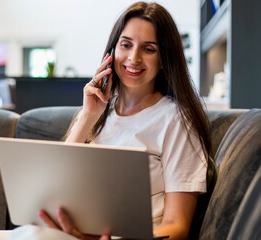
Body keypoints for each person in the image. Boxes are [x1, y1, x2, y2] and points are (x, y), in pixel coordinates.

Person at [37, 2, 216, 240]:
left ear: (164, 59)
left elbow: (176, 226)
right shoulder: (98, 111)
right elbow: (54, 185)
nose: (134, 58)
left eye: (149, 49)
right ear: (112, 51)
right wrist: (88, 116)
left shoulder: (176, 120)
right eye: (126, 45)